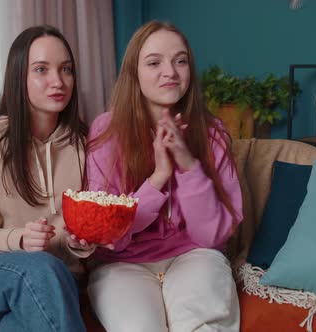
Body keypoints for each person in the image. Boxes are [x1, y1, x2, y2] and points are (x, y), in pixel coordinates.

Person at [85, 21, 244, 331]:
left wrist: (187, 165)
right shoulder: (106, 131)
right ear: (134, 74)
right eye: (154, 62)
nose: (170, 71)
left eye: (180, 60)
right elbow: (110, 237)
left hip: (194, 255)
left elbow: (211, 236)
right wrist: (159, 176)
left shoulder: (212, 133)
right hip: (122, 264)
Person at [0, 25, 99, 332]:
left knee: (26, 314)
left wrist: (81, 243)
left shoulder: (86, 145)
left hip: (52, 281)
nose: (58, 81)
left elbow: (87, 233)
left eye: (65, 69)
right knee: (41, 269)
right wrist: (19, 239)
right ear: (19, 77)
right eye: (42, 69)